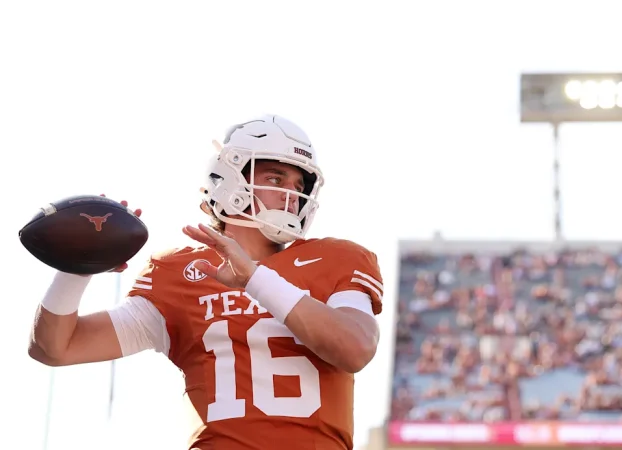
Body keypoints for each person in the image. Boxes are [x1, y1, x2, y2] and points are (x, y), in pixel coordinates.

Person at [28, 115, 384, 450]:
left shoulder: (334, 258)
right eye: (276, 179)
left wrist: (255, 279)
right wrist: (78, 265)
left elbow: (355, 349)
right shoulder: (181, 271)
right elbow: (55, 348)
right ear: (230, 180)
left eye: (298, 185)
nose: (291, 196)